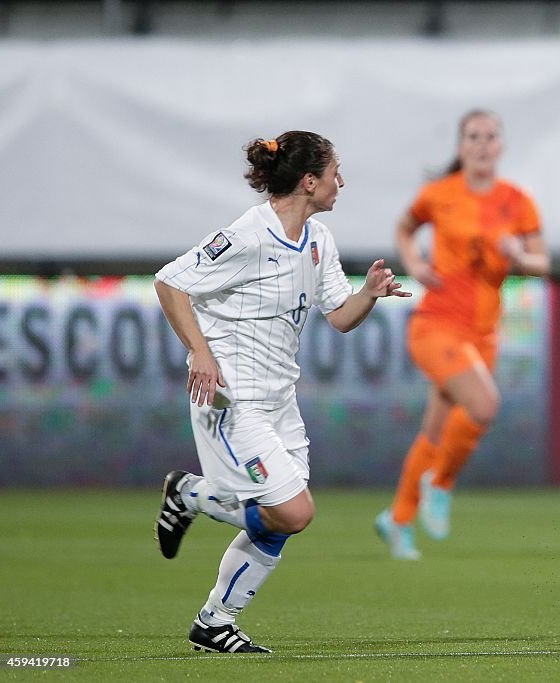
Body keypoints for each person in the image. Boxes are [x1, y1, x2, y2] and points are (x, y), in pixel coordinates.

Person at [153, 130, 409, 652]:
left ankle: (214, 621)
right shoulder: (248, 235)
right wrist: (201, 352)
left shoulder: (317, 240)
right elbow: (170, 283)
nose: (342, 180)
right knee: (293, 511)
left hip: (280, 402)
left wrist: (369, 294)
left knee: (279, 522)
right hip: (232, 399)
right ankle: (190, 494)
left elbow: (338, 317)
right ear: (310, 181)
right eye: (336, 171)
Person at [375, 110, 550, 559]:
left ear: (501, 145)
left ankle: (397, 521)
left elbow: (541, 262)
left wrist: (517, 255)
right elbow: (405, 227)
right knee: (485, 403)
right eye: (473, 136)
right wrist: (414, 265)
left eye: (491, 136)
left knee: (435, 431)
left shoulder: (517, 200)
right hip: (436, 324)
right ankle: (441, 483)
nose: (482, 144)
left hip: (483, 332)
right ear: (461, 145)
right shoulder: (439, 194)